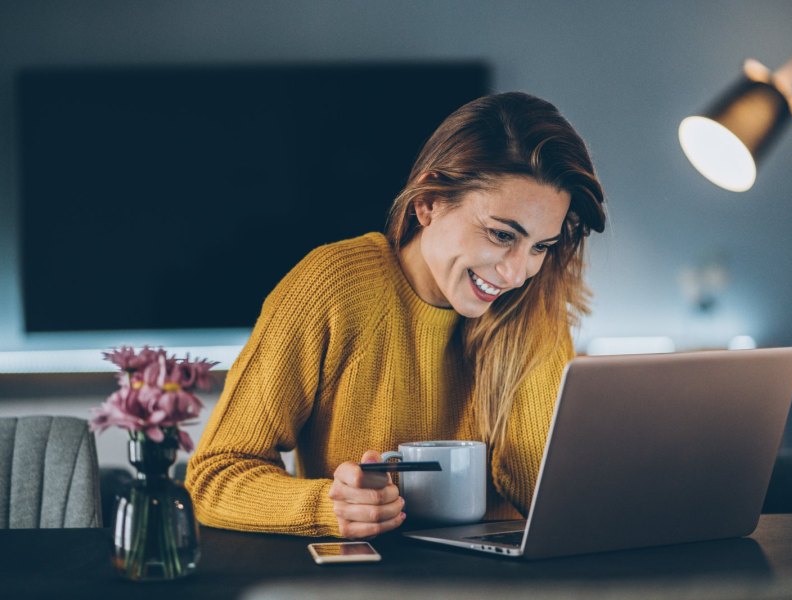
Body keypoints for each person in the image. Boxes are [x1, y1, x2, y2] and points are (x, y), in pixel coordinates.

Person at [185, 91, 606, 539]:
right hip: (373, 581)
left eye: (541, 246)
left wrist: (525, 338)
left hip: (508, 583)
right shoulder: (333, 286)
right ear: (428, 202)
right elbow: (215, 476)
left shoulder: (531, 303)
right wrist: (329, 505)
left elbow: (551, 501)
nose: (517, 271)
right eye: (502, 233)